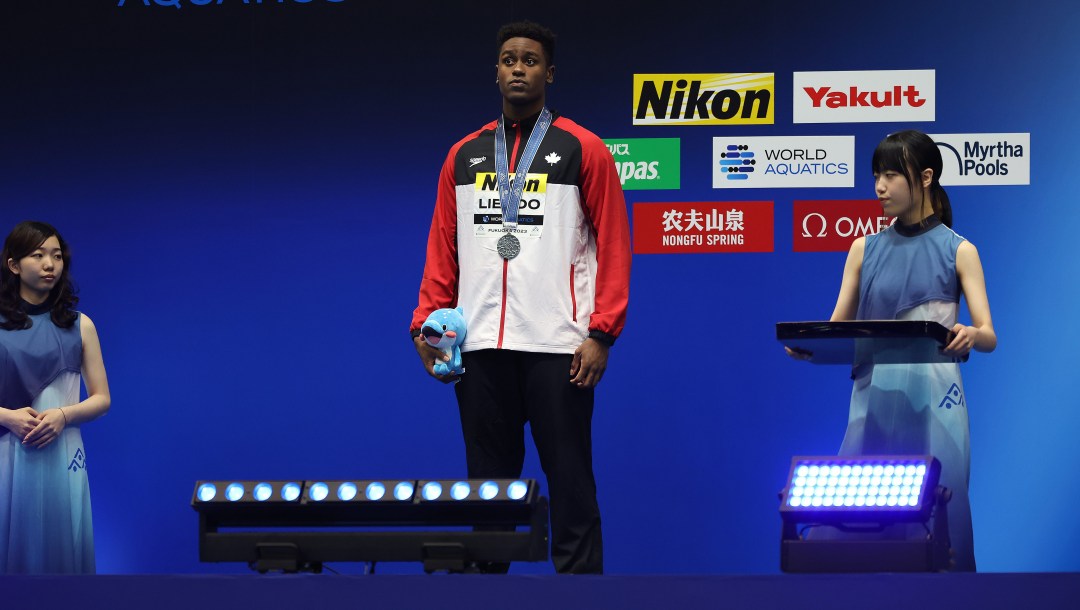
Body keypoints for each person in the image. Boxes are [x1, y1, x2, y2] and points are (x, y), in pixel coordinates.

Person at [410, 21, 631, 574]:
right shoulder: (462, 155)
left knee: (571, 479)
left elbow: (615, 246)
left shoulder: (585, 150)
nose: (517, 68)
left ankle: (580, 592)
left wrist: (601, 332)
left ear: (549, 73)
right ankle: (487, 591)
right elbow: (443, 249)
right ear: (496, 71)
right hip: (480, 344)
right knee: (487, 488)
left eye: (530, 60)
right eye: (508, 59)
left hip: (560, 345)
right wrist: (423, 327)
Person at [789, 130, 996, 571]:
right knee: (863, 512)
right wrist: (810, 344)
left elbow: (988, 334)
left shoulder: (960, 250)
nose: (879, 187)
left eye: (889, 175)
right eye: (875, 176)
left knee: (943, 508)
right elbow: (837, 326)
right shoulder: (863, 249)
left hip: (935, 395)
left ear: (924, 177)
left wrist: (969, 334)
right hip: (874, 394)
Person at [0, 221, 111, 574]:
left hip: (63, 451)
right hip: (7, 450)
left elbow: (101, 399)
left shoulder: (81, 325)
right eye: (38, 255)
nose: (50, 264)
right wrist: (7, 416)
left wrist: (63, 415)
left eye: (57, 256)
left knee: (63, 554)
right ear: (13, 264)